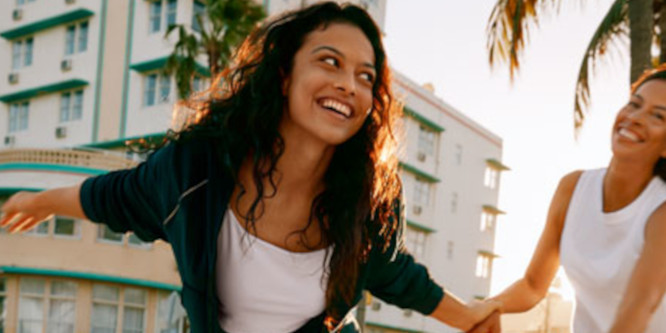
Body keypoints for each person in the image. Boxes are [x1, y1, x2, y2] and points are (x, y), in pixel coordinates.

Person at [0, 2, 500, 332]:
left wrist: (474, 319)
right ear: (284, 76)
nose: (349, 83)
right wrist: (37, 200)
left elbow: (400, 277)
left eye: (365, 76)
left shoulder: (366, 199)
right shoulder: (196, 168)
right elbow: (112, 196)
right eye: (329, 62)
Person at [470, 65, 666, 333]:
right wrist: (491, 307)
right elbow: (532, 286)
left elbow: (639, 305)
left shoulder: (661, 211)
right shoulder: (573, 188)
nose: (636, 118)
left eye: (658, 116)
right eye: (634, 104)